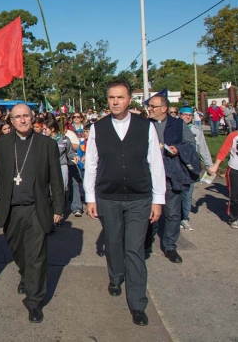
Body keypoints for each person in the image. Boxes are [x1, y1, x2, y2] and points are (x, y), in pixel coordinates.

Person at [83, 79, 166, 327]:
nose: (116, 101)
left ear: (130, 100)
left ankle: (138, 302)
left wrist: (158, 199)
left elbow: (156, 163)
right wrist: (90, 198)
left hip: (140, 198)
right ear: (107, 100)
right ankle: (115, 276)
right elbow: (92, 164)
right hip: (108, 197)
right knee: (114, 242)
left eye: (120, 97)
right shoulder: (98, 127)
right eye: (111, 97)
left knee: (134, 249)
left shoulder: (145, 126)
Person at [0, 104, 64, 323]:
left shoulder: (47, 145)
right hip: (11, 209)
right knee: (19, 252)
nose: (22, 120)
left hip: (37, 208)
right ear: (11, 121)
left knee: (37, 256)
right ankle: (25, 275)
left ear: (32, 118)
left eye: (25, 116)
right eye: (17, 117)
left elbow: (56, 179)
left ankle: (34, 301)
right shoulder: (1, 143)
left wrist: (58, 207)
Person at [145, 94, 196, 264]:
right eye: (149, 106)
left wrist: (178, 149)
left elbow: (190, 144)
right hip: (149, 176)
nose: (149, 109)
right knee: (148, 211)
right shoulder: (145, 125)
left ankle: (170, 246)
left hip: (171, 174)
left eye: (153, 106)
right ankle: (146, 243)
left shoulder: (178, 124)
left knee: (173, 213)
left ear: (164, 108)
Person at [178, 106, 213, 231]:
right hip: (176, 165)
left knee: (187, 194)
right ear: (179, 115)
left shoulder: (197, 130)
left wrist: (209, 165)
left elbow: (203, 149)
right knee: (175, 193)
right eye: (185, 114)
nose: (188, 117)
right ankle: (174, 218)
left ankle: (185, 218)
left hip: (191, 167)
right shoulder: (174, 128)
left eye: (190, 115)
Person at [208, 122, 238, 229]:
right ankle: (234, 218)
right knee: (236, 197)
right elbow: (223, 151)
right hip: (235, 170)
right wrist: (216, 165)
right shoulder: (234, 136)